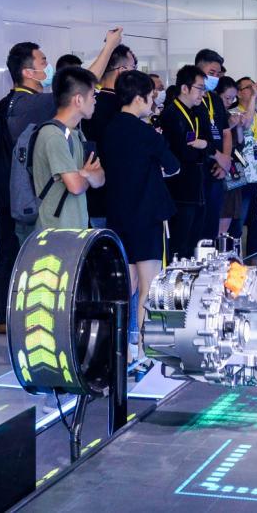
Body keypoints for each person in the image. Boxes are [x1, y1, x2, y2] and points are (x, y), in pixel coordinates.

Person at [0, 29, 123, 335]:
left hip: (71, 226)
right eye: (43, 61)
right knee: (48, 302)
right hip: (50, 226)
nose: (48, 66)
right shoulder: (35, 111)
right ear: (27, 72)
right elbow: (76, 183)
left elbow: (96, 177)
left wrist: (85, 175)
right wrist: (109, 46)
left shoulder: (71, 132)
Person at [103, 71, 179, 372]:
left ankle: (121, 349)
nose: (153, 103)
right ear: (138, 99)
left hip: (117, 214)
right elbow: (173, 167)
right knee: (149, 285)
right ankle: (146, 350)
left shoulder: (109, 129)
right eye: (151, 97)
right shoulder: (147, 133)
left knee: (126, 286)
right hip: (147, 215)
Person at [32, 66, 105, 231]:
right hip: (55, 232)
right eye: (92, 95)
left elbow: (100, 179)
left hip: (76, 230)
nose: (94, 101)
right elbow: (75, 187)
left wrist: (85, 174)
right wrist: (87, 174)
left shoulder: (77, 134)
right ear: (78, 100)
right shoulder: (53, 135)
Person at [160, 66, 211, 259]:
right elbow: (182, 151)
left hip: (197, 185)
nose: (202, 93)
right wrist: (201, 147)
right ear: (184, 88)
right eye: (199, 88)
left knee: (195, 242)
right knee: (179, 244)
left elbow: (209, 142)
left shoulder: (197, 112)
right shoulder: (171, 114)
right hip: (179, 189)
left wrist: (202, 145)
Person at [82, 44, 135, 229]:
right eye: (133, 68)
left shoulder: (92, 107)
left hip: (95, 199)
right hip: (118, 199)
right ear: (122, 71)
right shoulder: (124, 109)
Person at [194, 50, 233, 245]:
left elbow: (226, 132)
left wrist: (225, 160)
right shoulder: (188, 98)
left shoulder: (215, 99)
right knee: (196, 226)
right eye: (211, 73)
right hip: (197, 167)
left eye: (218, 74)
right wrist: (218, 156)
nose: (215, 77)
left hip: (217, 170)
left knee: (212, 224)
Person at [232, 77, 257, 255]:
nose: (254, 89)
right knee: (238, 221)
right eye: (249, 87)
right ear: (239, 93)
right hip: (242, 176)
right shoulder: (232, 113)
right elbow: (245, 124)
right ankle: (234, 260)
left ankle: (256, 260)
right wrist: (255, 97)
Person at [213, 76, 242, 238]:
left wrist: (238, 126)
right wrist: (229, 125)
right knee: (220, 213)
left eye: (233, 98)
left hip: (233, 169)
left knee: (231, 214)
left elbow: (240, 142)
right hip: (219, 166)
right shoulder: (213, 115)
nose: (230, 102)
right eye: (226, 98)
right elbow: (215, 139)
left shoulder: (231, 113)